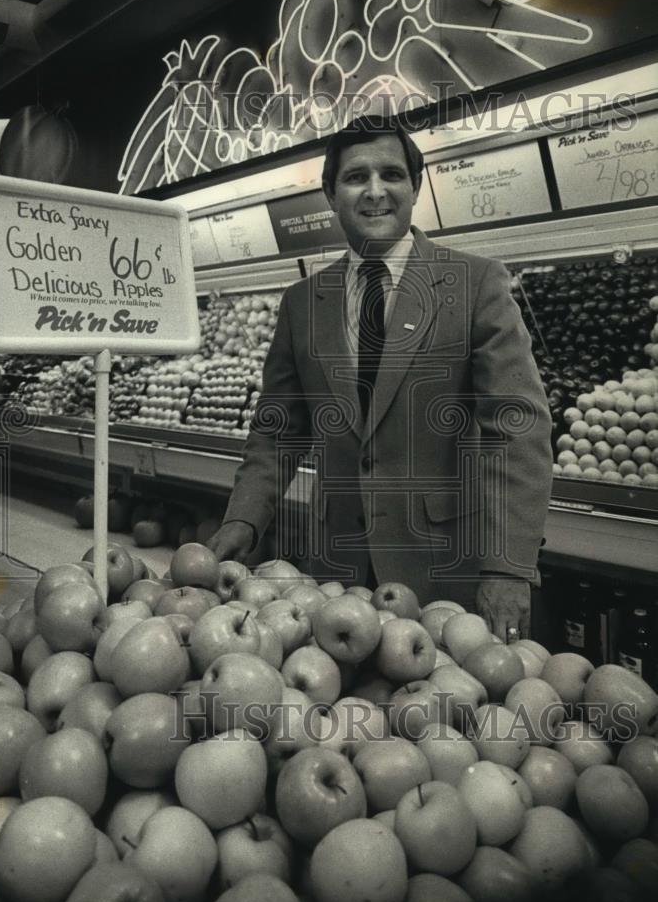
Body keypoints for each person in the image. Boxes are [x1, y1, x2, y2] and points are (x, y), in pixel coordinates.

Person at [207, 114, 553, 641]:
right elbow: (280, 429)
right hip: (336, 577)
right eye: (355, 177)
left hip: (447, 575)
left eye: (392, 175)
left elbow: (518, 425)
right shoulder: (302, 303)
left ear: (415, 186)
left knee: (445, 717)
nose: (375, 192)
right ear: (329, 193)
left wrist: (508, 565)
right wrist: (243, 520)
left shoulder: (476, 282)